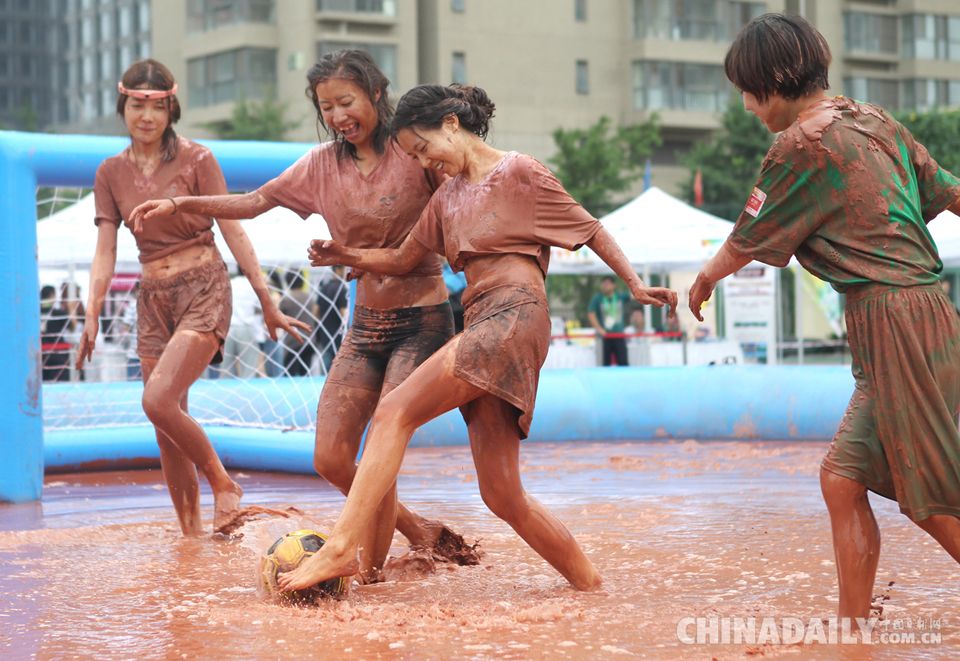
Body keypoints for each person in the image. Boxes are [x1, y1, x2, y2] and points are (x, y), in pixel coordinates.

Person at [281, 83, 678, 593]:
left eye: (425, 148)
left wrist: (634, 283)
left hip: (514, 315)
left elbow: (591, 228)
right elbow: (404, 258)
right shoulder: (446, 196)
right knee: (502, 495)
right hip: (483, 320)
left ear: (451, 123)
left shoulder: (520, 172)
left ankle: (340, 548)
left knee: (392, 412)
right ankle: (591, 587)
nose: (426, 163)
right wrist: (348, 256)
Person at [129, 50, 466, 581]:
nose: (337, 116)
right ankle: (416, 530)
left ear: (376, 93)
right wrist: (181, 206)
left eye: (346, 102)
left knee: (383, 439)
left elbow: (463, 205)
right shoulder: (319, 166)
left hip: (422, 321)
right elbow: (256, 201)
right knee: (330, 458)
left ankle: (370, 578)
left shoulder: (414, 153)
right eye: (326, 106)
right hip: (365, 327)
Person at [687, 14, 960, 625]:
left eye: (747, 91)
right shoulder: (876, 120)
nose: (747, 106)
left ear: (775, 83)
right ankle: (853, 632)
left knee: (931, 496)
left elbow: (746, 239)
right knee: (842, 480)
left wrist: (704, 279)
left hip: (896, 324)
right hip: (923, 317)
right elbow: (948, 189)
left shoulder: (800, 145)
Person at [78, 59, 309, 537]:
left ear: (171, 108)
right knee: (166, 427)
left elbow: (233, 228)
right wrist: (91, 314)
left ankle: (224, 484)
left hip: (203, 285)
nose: (145, 115)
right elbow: (106, 249)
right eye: (136, 104)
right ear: (124, 106)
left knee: (157, 399)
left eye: (155, 106)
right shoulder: (109, 172)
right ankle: (193, 536)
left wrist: (266, 298)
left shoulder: (197, 159)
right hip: (152, 297)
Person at [224, 266, 266, 378]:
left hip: (228, 329)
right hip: (246, 328)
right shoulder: (253, 285)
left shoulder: (230, 282)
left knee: (226, 371)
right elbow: (260, 307)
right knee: (248, 370)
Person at [587, 275, 632, 365]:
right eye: (603, 284)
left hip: (619, 335)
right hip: (605, 336)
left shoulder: (620, 296)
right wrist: (599, 329)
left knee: (623, 363)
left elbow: (634, 295)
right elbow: (590, 313)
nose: (604, 286)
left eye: (607, 284)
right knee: (605, 364)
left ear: (613, 285)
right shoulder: (598, 298)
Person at [280, 270, 317, 376]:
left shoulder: (287, 299)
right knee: (305, 374)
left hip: (293, 342)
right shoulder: (310, 298)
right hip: (309, 340)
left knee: (289, 376)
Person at [315, 266, 349, 375]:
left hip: (324, 333)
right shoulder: (342, 289)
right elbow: (344, 313)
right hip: (339, 335)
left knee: (325, 368)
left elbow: (315, 311)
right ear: (338, 269)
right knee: (338, 369)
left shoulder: (323, 288)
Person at [40, 285, 71, 382]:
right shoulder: (59, 313)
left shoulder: (35, 312)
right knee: (60, 382)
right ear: (51, 295)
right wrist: (70, 308)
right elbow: (72, 326)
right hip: (58, 353)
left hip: (41, 353)